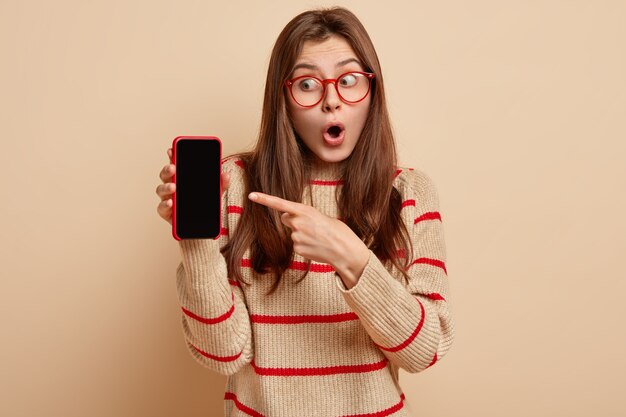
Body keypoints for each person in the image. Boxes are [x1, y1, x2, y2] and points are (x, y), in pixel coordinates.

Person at [156, 6, 454, 417]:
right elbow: (224, 354)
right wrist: (196, 244)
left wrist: (350, 258)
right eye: (309, 84)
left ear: (373, 91)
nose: (332, 101)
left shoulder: (409, 193)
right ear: (284, 98)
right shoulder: (234, 185)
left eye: (349, 81)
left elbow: (425, 351)